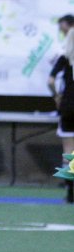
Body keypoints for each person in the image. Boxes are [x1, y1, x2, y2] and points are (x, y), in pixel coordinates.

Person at [48, 15, 74, 164]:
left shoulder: (64, 57)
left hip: (68, 106)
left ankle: (69, 186)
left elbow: (50, 81)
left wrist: (57, 97)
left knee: (68, 150)